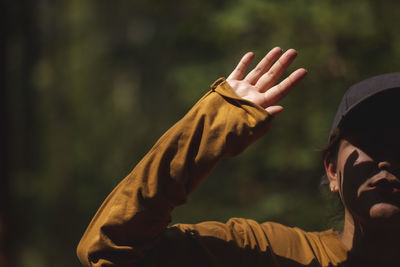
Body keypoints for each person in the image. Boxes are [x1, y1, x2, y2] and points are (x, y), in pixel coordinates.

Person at [76, 47, 400, 267]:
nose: (386, 160)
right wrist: (213, 124)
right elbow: (109, 248)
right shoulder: (270, 254)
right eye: (370, 141)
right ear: (331, 171)